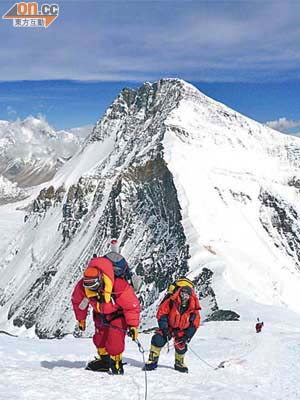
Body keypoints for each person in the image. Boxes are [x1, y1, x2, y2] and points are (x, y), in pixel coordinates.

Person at [71, 255, 141, 375]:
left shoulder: (118, 286)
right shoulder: (83, 285)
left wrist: (133, 326)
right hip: (99, 314)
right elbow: (78, 301)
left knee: (115, 341)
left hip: (117, 315)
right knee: (100, 339)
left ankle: (116, 362)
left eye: (93, 285)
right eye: (89, 286)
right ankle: (104, 361)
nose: (91, 289)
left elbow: (131, 306)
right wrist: (81, 319)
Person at [144, 284, 201, 373]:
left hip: (182, 331)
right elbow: (162, 314)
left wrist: (187, 336)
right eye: (182, 294)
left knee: (181, 345)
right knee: (157, 339)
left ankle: (179, 362)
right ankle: (152, 359)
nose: (184, 297)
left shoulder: (193, 308)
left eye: (186, 295)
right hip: (169, 327)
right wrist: (164, 329)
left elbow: (194, 324)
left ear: (190, 296)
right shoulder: (172, 301)